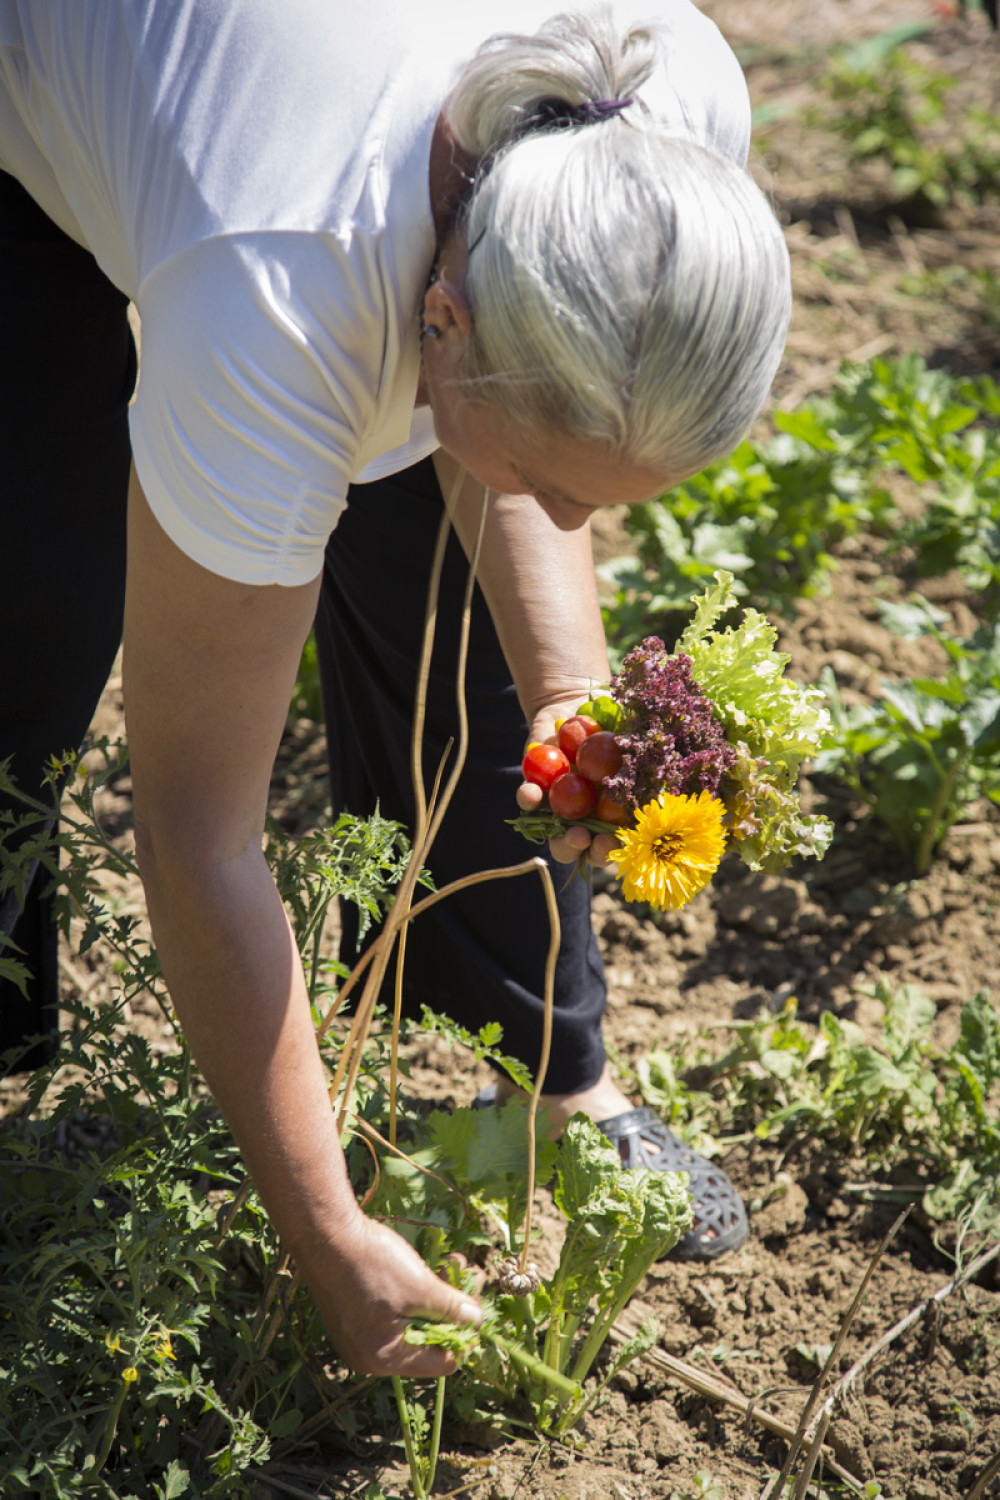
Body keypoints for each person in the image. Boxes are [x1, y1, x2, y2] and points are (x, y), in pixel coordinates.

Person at [0, 0, 791, 1375]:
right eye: (550, 475)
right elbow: (199, 836)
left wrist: (572, 697)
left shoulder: (669, 135)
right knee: (22, 638)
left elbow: (536, 473)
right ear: (442, 313)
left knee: (463, 581)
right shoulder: (278, 296)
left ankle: (553, 1080)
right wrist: (324, 1231)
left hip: (313, 159)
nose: (558, 514)